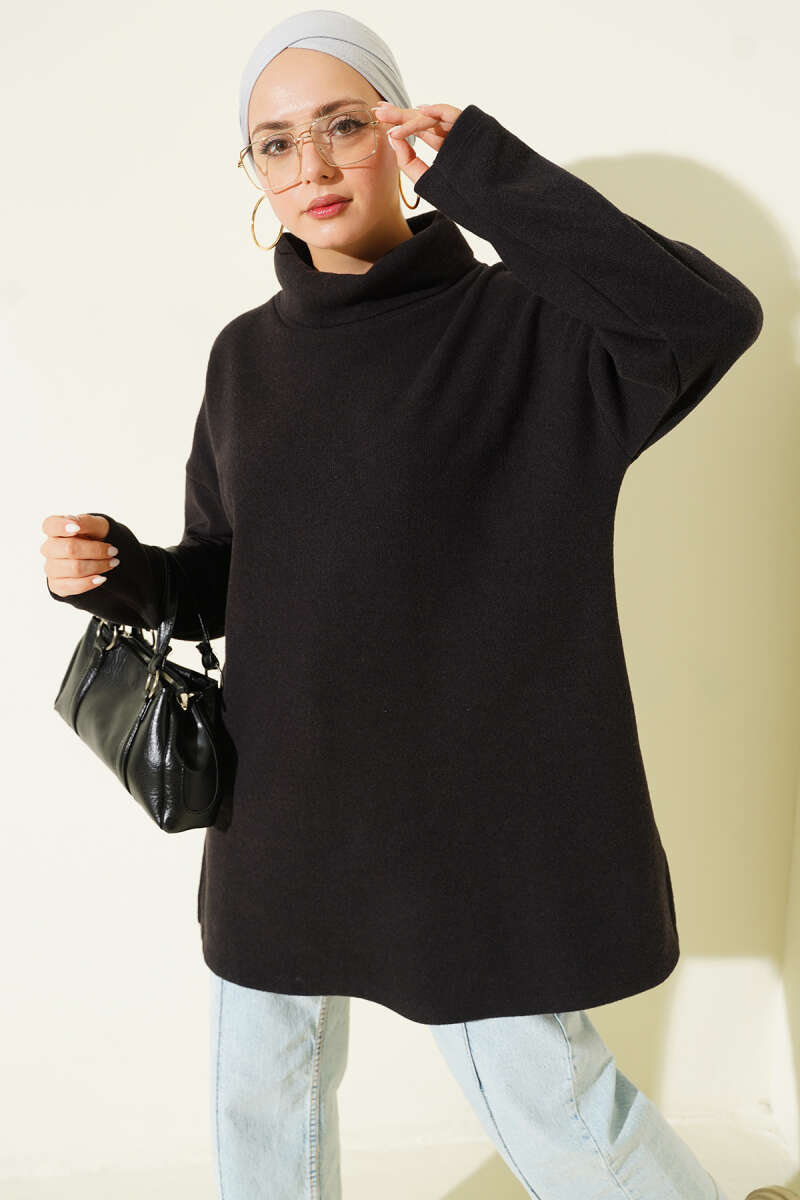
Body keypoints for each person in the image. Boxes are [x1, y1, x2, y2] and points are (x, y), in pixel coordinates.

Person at [43, 10, 784, 1200]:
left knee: (549, 1101)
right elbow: (229, 578)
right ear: (253, 174)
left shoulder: (530, 326)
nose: (312, 163)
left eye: (343, 125)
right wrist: (124, 574)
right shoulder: (244, 358)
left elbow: (707, 319)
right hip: (280, 803)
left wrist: (488, 173)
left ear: (398, 134)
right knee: (260, 1097)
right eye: (275, 142)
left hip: (467, 809)